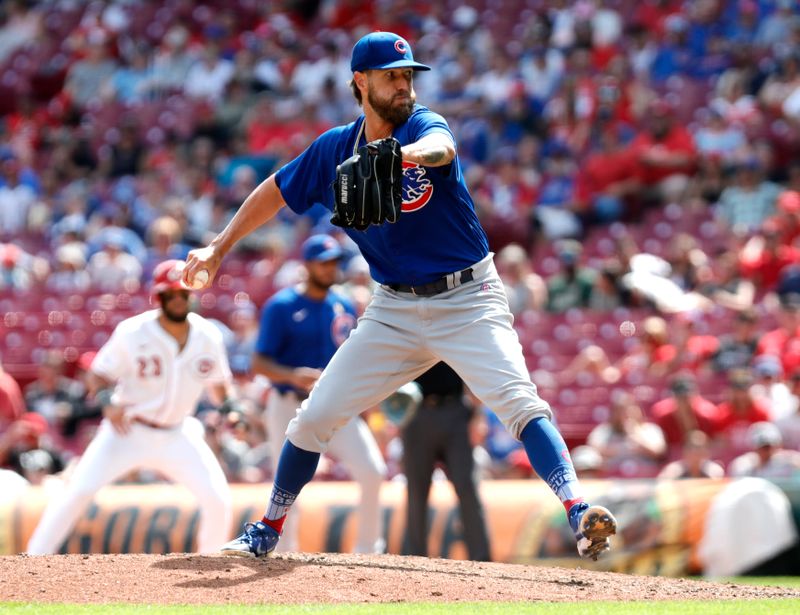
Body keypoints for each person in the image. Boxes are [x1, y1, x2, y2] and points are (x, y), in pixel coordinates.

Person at [184, 31, 616, 561]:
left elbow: (444, 148)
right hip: (394, 308)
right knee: (315, 417)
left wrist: (400, 156)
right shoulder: (334, 149)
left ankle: (578, 511)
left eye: (409, 74)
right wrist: (219, 247)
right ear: (360, 82)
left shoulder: (421, 126)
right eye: (393, 76)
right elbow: (276, 189)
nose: (404, 84)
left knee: (520, 403)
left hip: (469, 298)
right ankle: (268, 529)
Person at [26, 260, 236, 554]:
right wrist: (107, 403)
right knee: (78, 491)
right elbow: (98, 375)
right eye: (170, 294)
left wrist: (231, 409)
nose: (177, 299)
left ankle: (211, 564)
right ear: (158, 297)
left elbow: (219, 386)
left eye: (182, 294)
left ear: (191, 296)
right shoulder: (133, 331)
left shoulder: (207, 336)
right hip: (126, 431)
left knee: (218, 499)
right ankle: (33, 560)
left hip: (178, 433)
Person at [253, 234, 387, 554]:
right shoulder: (283, 305)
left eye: (334, 262)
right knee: (286, 486)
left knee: (372, 472)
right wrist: (291, 375)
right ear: (308, 265)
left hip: (335, 405)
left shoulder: (341, 304)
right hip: (288, 404)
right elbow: (259, 363)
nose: (330, 268)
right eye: (323, 262)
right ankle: (283, 553)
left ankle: (369, 550)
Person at [391, 362, 491, 561]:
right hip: (416, 412)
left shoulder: (455, 329)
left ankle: (482, 562)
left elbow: (471, 364)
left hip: (455, 410)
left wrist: (479, 414)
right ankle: (414, 561)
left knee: (467, 486)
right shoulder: (407, 331)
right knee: (416, 491)